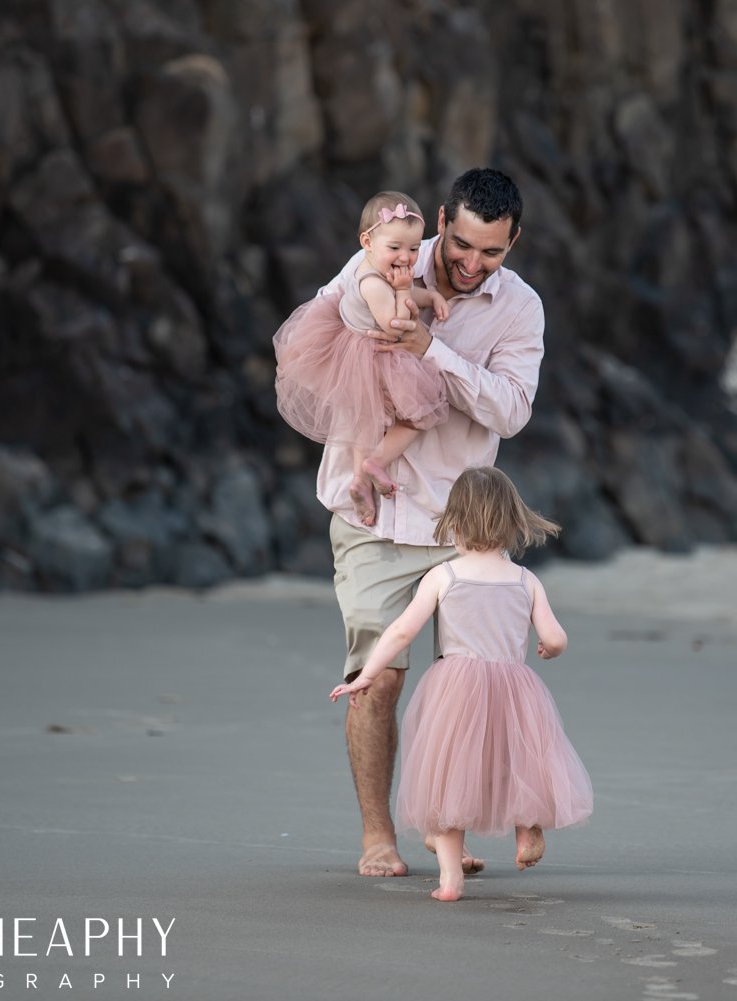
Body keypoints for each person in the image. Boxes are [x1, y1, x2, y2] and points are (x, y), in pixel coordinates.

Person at [275, 168, 545, 879]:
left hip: (466, 523)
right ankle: (377, 835)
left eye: (492, 252)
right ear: (438, 220)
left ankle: (442, 826)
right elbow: (326, 323)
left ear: (513, 242)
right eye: (461, 243)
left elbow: (512, 411)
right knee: (379, 678)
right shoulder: (386, 255)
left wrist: (434, 353)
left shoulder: (519, 308)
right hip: (373, 511)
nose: (471, 262)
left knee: (471, 686)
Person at [329, 466, 592, 902]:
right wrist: (549, 650)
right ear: (513, 522)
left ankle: (450, 880)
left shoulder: (443, 577)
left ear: (451, 523)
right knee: (517, 762)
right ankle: (526, 831)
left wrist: (368, 676)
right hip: (513, 687)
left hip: (456, 689)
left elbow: (399, 633)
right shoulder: (526, 581)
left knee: (448, 781)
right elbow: (555, 637)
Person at [273, 191, 451, 526]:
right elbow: (394, 324)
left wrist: (429, 295)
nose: (406, 257)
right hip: (374, 353)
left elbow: (408, 290)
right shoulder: (370, 281)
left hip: (362, 353)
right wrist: (403, 292)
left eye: (414, 249)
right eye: (395, 248)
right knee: (418, 417)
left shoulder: (376, 266)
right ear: (367, 242)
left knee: (363, 422)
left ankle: (358, 482)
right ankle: (376, 463)